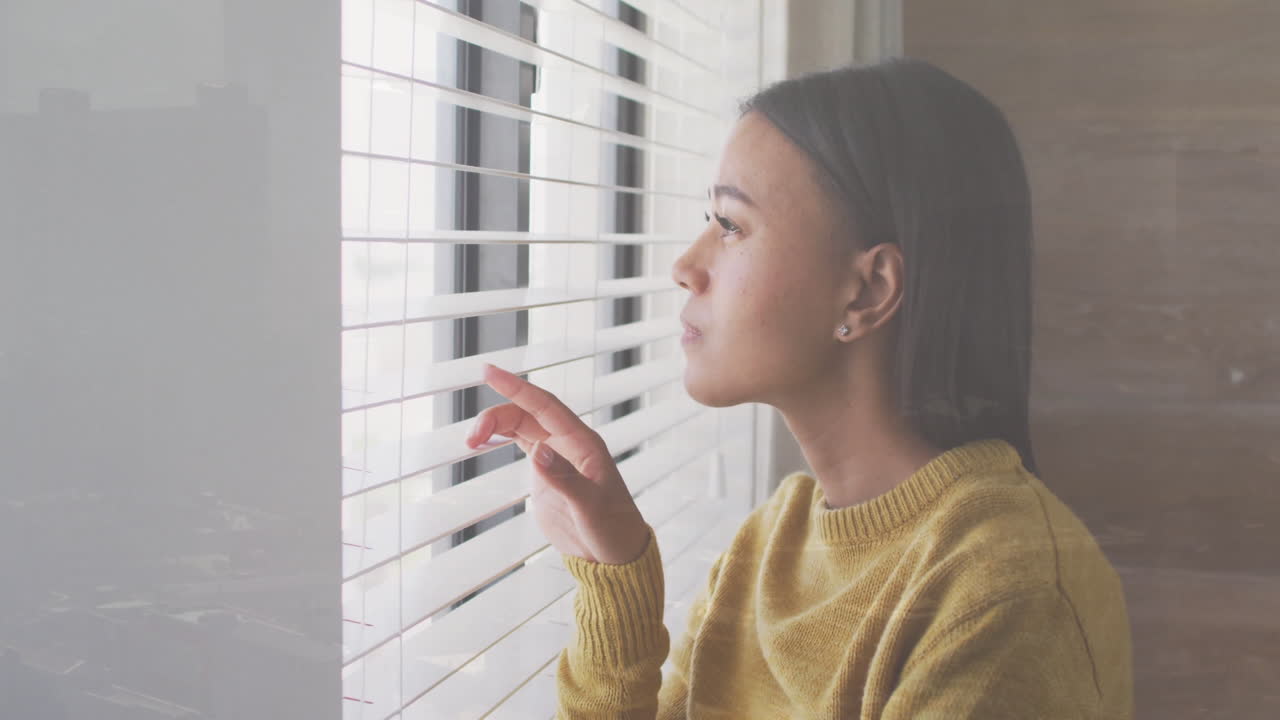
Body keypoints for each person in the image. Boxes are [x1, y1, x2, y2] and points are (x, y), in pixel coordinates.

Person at [467, 57, 1134, 719]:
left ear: (868, 290)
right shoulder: (774, 538)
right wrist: (616, 584)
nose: (685, 266)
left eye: (730, 226)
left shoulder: (1004, 592)